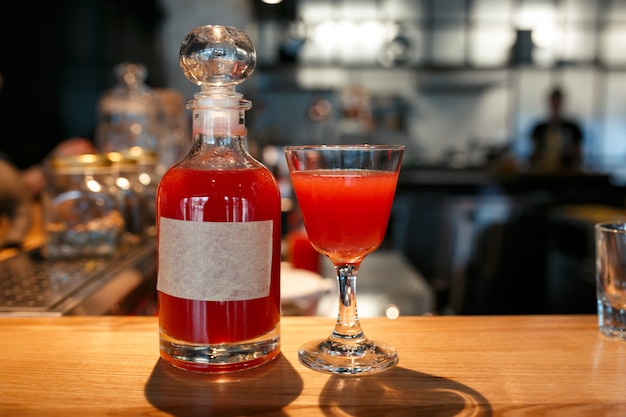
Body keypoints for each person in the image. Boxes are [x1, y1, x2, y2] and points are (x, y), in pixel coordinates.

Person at [529, 87, 583, 172]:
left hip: (566, 172)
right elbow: (535, 152)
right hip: (544, 171)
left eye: (558, 101)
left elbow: (578, 152)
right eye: (553, 101)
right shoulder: (540, 128)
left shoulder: (572, 128)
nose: (555, 105)